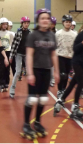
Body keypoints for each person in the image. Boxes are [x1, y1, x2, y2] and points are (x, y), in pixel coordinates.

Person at [21, 8, 59, 139]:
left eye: (47, 18)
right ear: (38, 20)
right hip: (35, 70)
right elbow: (29, 55)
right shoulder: (33, 35)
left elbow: (54, 55)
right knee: (32, 99)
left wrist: (57, 72)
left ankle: (37, 122)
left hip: (46, 71)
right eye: (42, 18)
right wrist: (30, 73)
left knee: (43, 99)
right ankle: (26, 124)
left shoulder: (52, 35)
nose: (45, 21)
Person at [9, 16, 31, 99]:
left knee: (29, 72)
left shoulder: (30, 33)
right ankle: (12, 89)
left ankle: (31, 91)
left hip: (27, 55)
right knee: (18, 72)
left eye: (27, 23)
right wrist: (11, 56)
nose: (26, 24)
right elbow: (14, 45)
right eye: (25, 23)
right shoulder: (18, 33)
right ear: (22, 24)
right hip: (18, 54)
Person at [56, 15, 77, 99]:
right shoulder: (58, 33)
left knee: (66, 75)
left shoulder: (74, 34)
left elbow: (75, 46)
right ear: (63, 23)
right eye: (66, 22)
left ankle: (63, 89)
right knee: (62, 74)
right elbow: (55, 45)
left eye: (69, 22)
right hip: (60, 56)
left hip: (69, 57)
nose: (68, 24)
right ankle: (59, 90)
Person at [0, 18, 14, 92]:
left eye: (6, 24)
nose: (5, 25)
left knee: (7, 68)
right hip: (0, 52)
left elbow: (11, 43)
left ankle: (6, 83)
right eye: (3, 24)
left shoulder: (10, 33)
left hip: (8, 51)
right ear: (0, 25)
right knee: (1, 69)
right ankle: (1, 84)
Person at [50, 16, 57, 87]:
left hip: (52, 51)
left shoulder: (56, 32)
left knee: (52, 66)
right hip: (46, 51)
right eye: (51, 24)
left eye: (53, 24)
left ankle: (52, 79)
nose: (52, 25)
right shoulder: (46, 31)